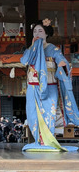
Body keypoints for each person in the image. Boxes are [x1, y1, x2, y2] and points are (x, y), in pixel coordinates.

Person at [20, 18, 79, 152]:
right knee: (32, 114)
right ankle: (38, 141)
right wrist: (33, 47)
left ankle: (48, 140)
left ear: (46, 33)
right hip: (33, 86)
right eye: (35, 31)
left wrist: (63, 66)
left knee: (49, 113)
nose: (37, 33)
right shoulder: (31, 49)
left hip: (50, 85)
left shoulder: (53, 49)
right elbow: (24, 61)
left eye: (40, 31)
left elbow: (62, 62)